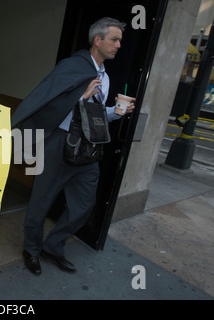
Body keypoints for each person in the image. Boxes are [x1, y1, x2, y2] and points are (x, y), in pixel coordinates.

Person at [11, 17, 135, 275]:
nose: (119, 45)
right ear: (98, 40)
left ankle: (53, 246)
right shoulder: (72, 66)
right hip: (58, 143)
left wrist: (116, 112)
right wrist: (81, 97)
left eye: (120, 40)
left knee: (84, 205)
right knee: (40, 202)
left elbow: (95, 114)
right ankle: (32, 250)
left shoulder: (106, 77)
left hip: (87, 149)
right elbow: (49, 100)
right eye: (114, 39)